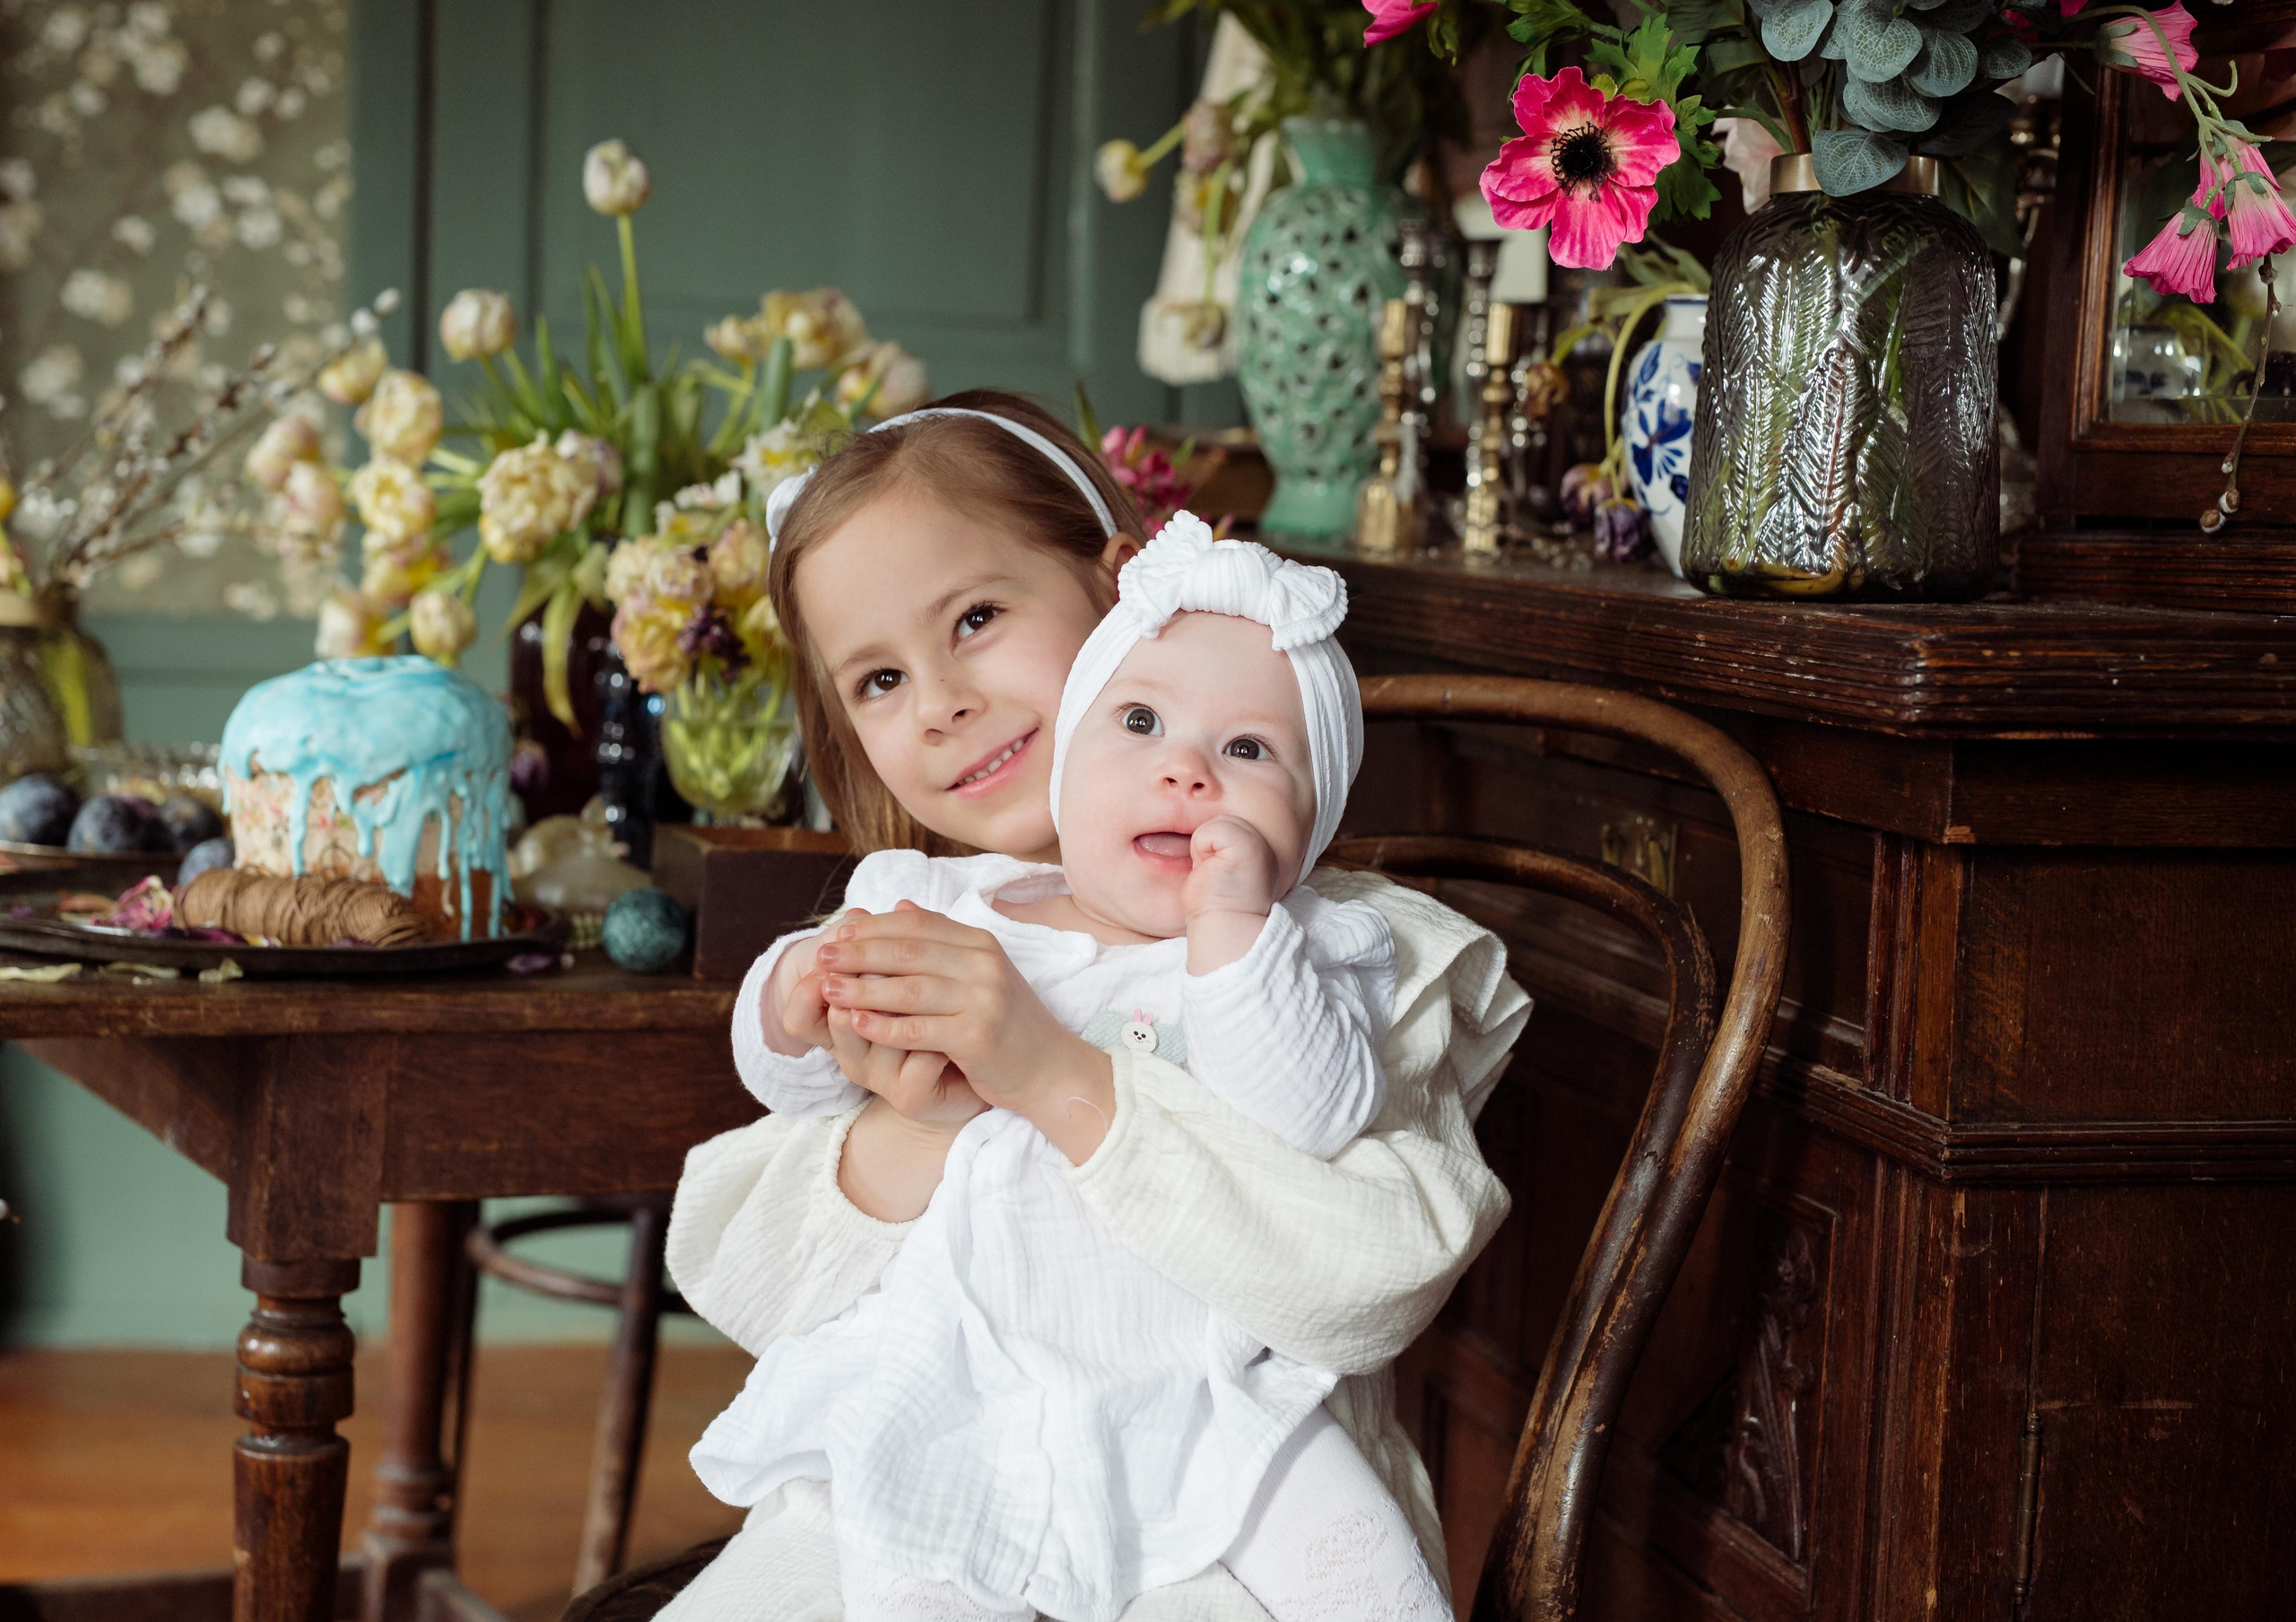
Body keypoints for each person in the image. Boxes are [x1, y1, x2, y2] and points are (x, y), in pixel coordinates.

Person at [663, 393, 1531, 1621]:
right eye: (877, 681)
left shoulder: (1352, 953)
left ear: (1126, 586)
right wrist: (905, 1116)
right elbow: (752, 1274)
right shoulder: (929, 918)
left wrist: (1051, 1074)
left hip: (1234, 1516)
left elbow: (1370, 1279)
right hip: (933, 1469)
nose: (940, 702)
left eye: (976, 617)